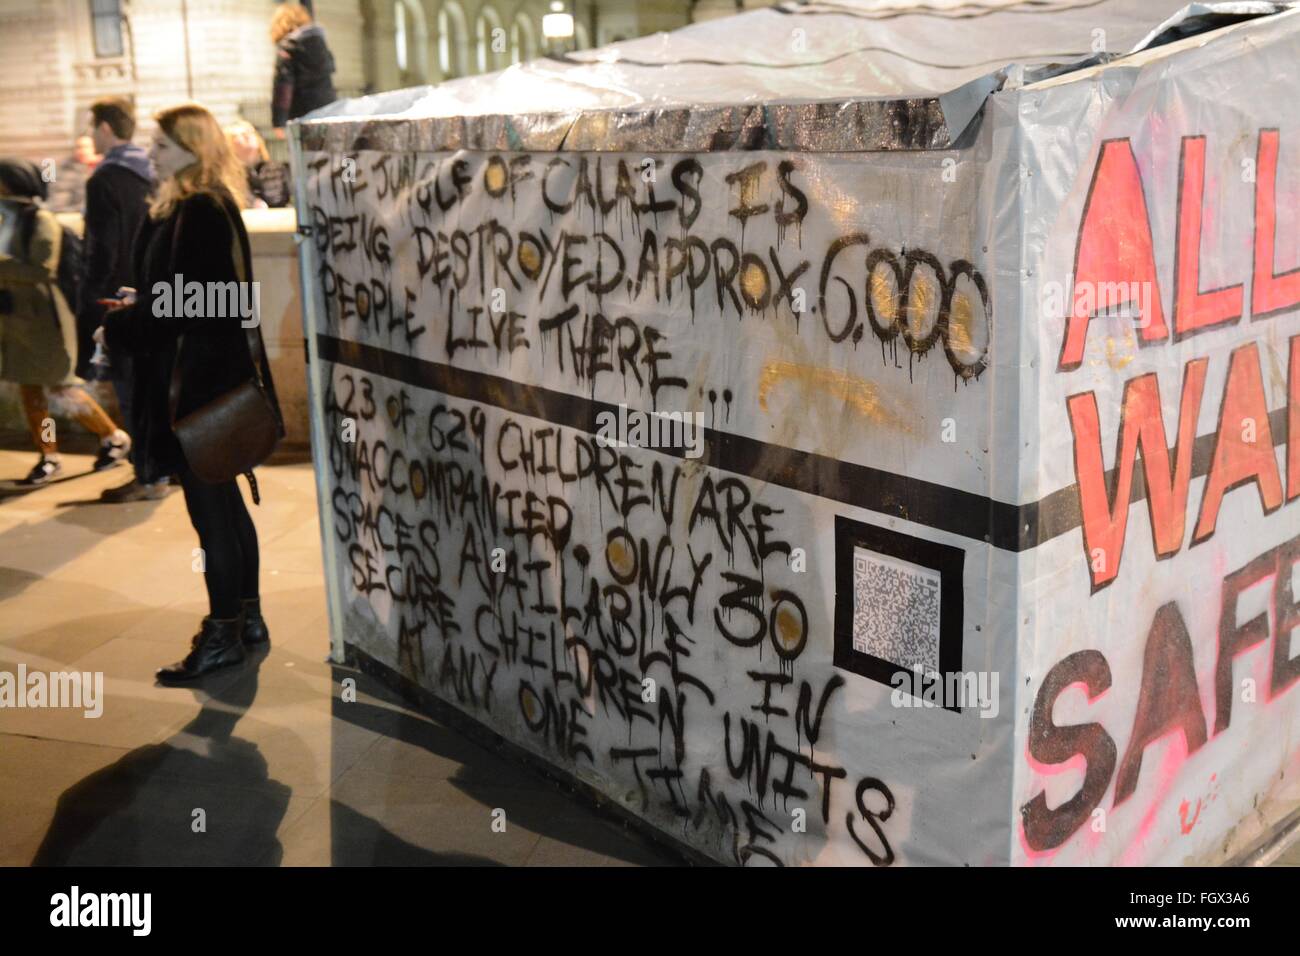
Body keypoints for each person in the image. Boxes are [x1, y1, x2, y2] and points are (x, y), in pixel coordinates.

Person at [97, 104, 281, 682]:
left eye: (163, 145)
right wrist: (145, 299)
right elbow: (198, 298)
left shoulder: (196, 211)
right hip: (208, 384)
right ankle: (247, 620)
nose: (151, 152)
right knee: (224, 506)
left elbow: (195, 308)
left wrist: (123, 324)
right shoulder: (199, 206)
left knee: (212, 516)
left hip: (195, 391)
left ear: (193, 150)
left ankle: (223, 632)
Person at [0, 159, 130, 485]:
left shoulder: (39, 220)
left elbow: (43, 268)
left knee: (61, 388)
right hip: (15, 319)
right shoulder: (6, 219)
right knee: (31, 392)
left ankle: (112, 436)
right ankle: (49, 455)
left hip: (45, 321)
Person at [80, 96, 166, 503]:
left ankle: (148, 476)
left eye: (92, 126)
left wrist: (91, 301)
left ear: (106, 129)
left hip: (118, 299)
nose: (89, 135)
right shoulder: (152, 172)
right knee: (159, 387)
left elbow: (101, 250)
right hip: (156, 293)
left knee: (132, 392)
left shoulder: (104, 179)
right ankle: (170, 468)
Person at [270, 3, 337, 139]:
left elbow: (283, 88)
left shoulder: (288, 48)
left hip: (302, 115)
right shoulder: (320, 44)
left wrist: (278, 122)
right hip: (329, 111)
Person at [224, 120, 290, 208]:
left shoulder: (278, 168)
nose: (247, 136)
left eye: (250, 132)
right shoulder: (227, 176)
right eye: (238, 135)